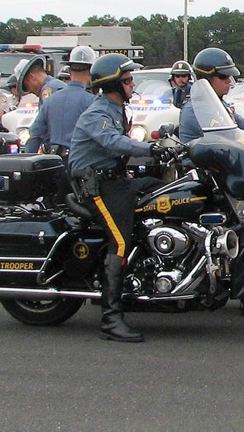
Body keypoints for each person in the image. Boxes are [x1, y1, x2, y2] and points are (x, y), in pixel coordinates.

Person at [69, 53, 172, 342]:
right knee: (120, 241)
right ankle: (111, 319)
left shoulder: (117, 109)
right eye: (127, 80)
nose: (132, 85)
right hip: (95, 187)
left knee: (161, 190)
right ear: (113, 84)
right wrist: (149, 149)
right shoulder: (98, 112)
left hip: (114, 181)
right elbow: (112, 142)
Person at [25, 45, 98, 160]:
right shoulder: (93, 102)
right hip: (82, 163)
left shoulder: (50, 100)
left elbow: (35, 135)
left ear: (69, 71)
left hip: (55, 163)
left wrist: (27, 161)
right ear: (92, 71)